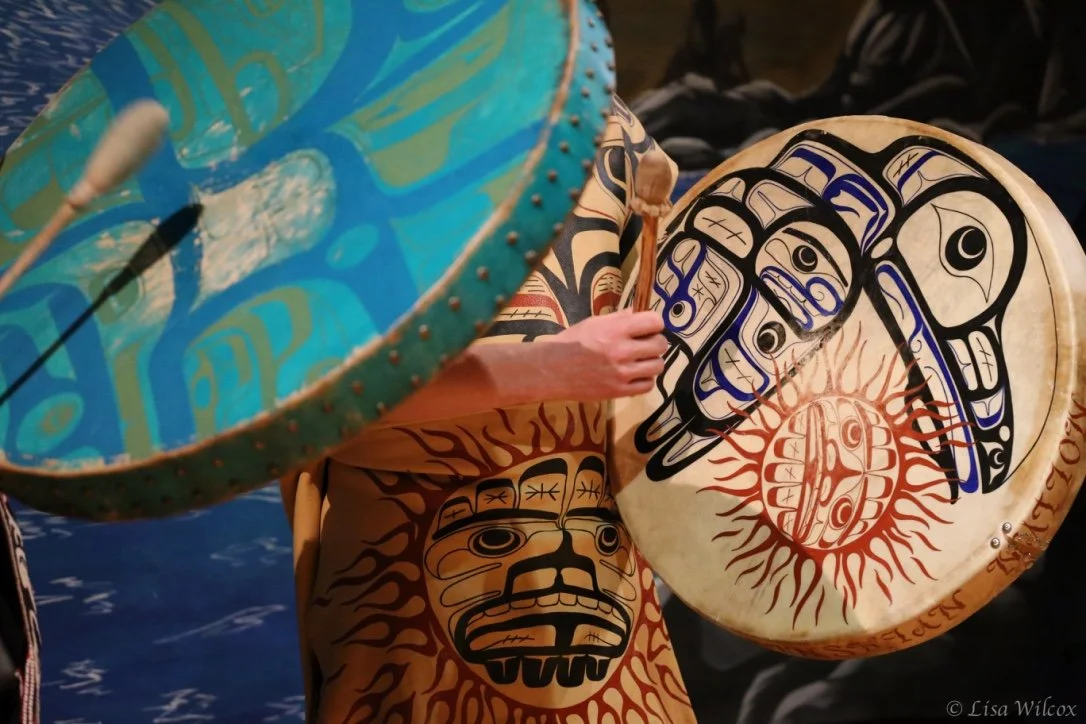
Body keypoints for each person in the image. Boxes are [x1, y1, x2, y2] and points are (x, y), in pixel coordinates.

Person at [279, 96, 697, 724]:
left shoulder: (610, 123)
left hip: (602, 577)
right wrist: (545, 367)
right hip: (405, 580)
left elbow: (652, 353)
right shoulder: (333, 127)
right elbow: (301, 400)